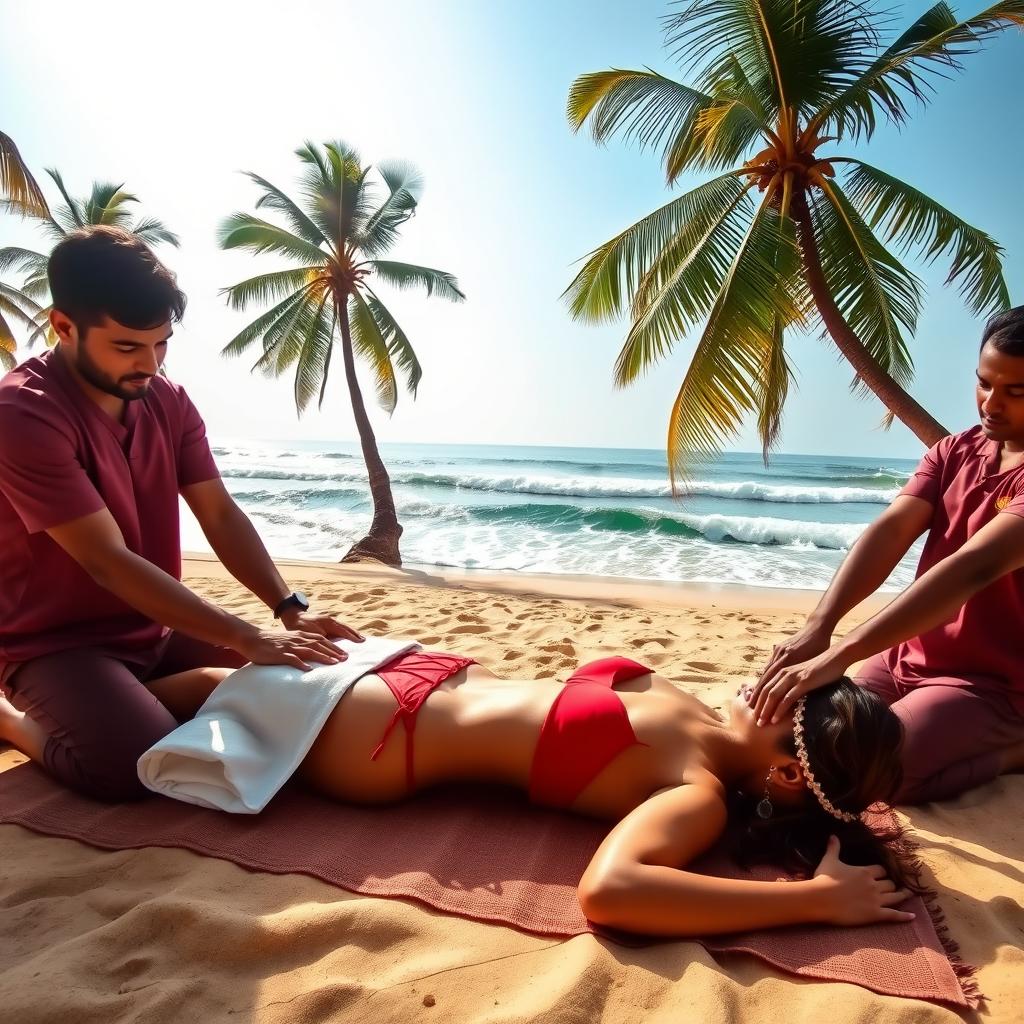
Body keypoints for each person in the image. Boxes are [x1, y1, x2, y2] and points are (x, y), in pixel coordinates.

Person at [0, 225, 362, 801]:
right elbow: (106, 562)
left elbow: (218, 513)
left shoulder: (167, 399)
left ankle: (129, 693)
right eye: (126, 347)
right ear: (63, 327)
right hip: (55, 645)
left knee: (315, 678)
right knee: (132, 764)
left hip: (154, 628)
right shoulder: (23, 414)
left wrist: (286, 608)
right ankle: (9, 717)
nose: (149, 364)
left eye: (161, 343)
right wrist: (245, 637)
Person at [289, 648, 915, 937]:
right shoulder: (701, 714)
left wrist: (813, 901)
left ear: (788, 774)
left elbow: (611, 892)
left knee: (197, 689)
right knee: (203, 676)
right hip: (411, 669)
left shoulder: (695, 797)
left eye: (794, 701)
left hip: (378, 731)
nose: (777, 683)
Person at [750, 306, 1024, 803]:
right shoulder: (954, 452)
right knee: (812, 735)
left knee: (883, 772)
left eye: (1016, 392)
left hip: (994, 684)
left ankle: (1015, 751)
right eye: (984, 383)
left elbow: (972, 570)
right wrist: (820, 626)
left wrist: (843, 653)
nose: (991, 404)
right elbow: (890, 531)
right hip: (908, 656)